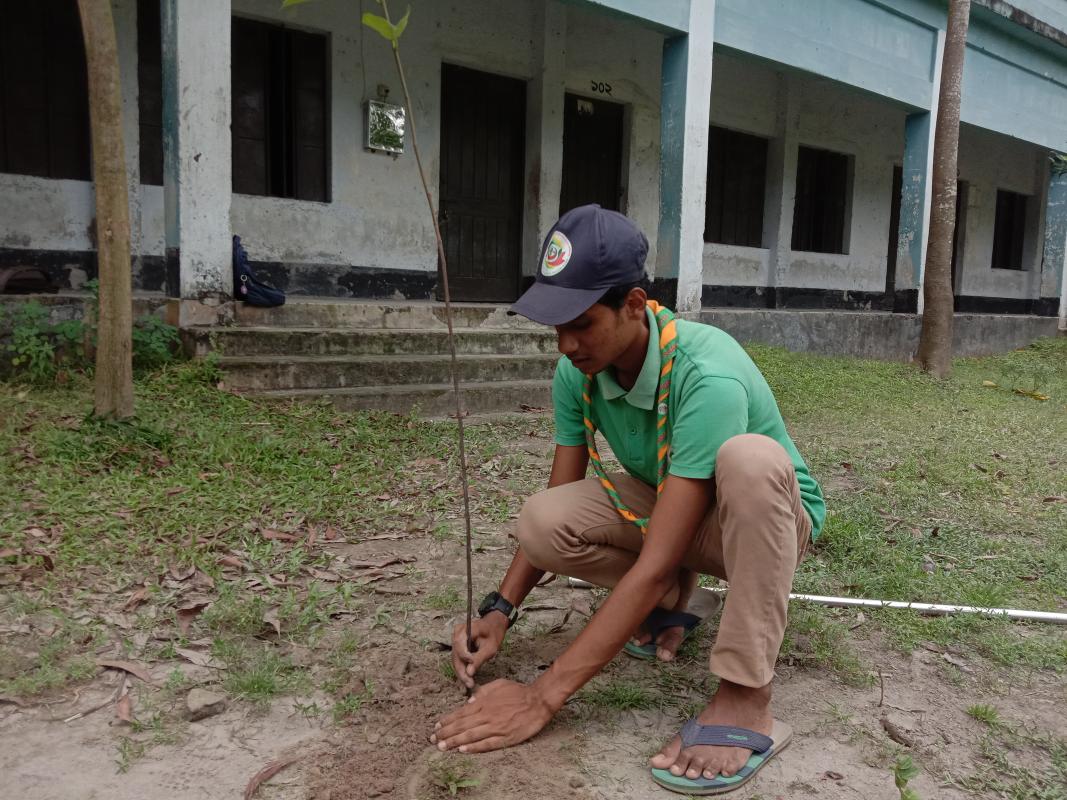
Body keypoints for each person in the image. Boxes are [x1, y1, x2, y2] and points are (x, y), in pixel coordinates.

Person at [430, 204, 825, 795]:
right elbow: (560, 494)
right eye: (555, 325)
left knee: (749, 460)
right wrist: (499, 610)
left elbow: (662, 549)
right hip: (674, 503)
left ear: (634, 306)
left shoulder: (704, 374)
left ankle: (746, 693)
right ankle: (668, 602)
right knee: (542, 522)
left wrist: (543, 696)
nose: (566, 343)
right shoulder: (581, 370)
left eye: (582, 323)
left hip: (761, 521)